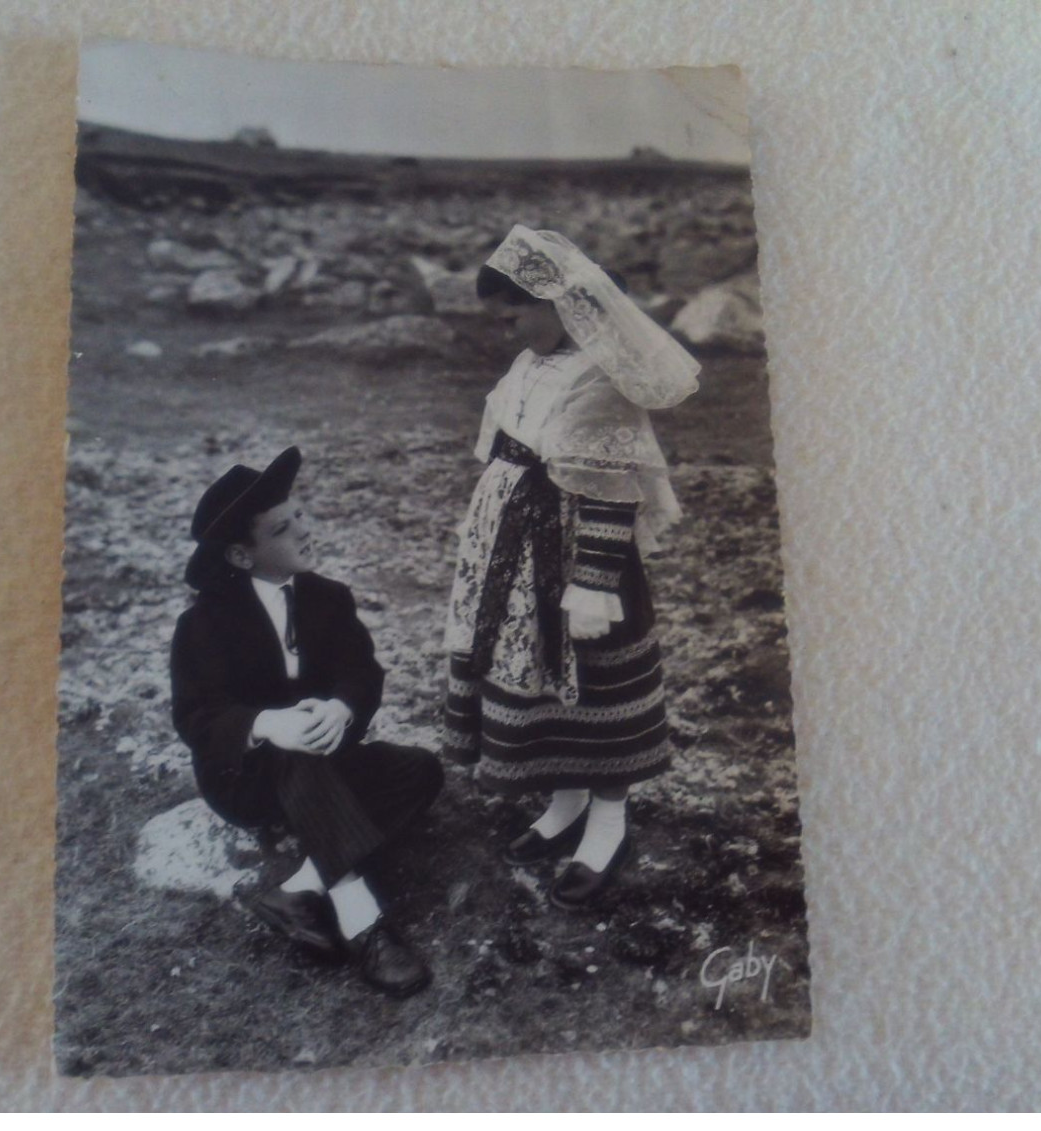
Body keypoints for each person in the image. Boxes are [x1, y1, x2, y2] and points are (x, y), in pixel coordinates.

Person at [443, 225, 701, 909]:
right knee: (542, 682)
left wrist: (591, 584)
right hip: (518, 554)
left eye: (514, 314)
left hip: (581, 560)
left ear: (557, 301)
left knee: (594, 679)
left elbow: (611, 491)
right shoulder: (529, 366)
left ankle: (608, 818)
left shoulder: (599, 376)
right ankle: (566, 798)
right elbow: (503, 450)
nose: (507, 330)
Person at [170, 446, 443, 997]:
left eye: (301, 516)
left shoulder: (328, 598)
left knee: (421, 770)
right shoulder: (205, 622)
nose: (304, 531)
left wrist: (342, 708)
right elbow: (196, 719)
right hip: (245, 778)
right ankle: (361, 918)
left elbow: (361, 672)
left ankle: (298, 890)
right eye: (281, 529)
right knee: (295, 749)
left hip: (324, 761)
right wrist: (266, 724)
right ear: (243, 557)